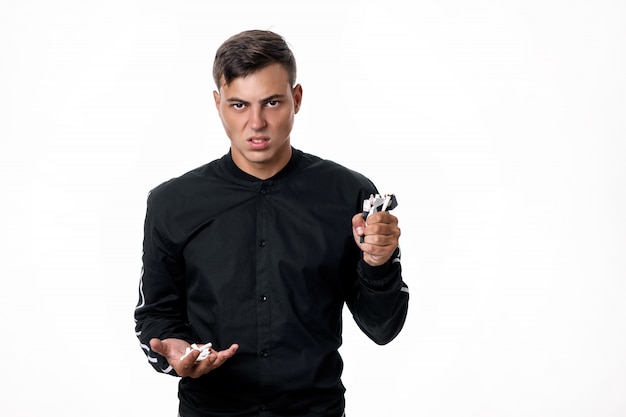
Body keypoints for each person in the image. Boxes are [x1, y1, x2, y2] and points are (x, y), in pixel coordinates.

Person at [134, 29, 409, 417]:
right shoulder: (171, 203)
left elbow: (384, 329)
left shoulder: (349, 194)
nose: (257, 122)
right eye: (239, 105)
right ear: (218, 104)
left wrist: (379, 264)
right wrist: (174, 352)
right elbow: (155, 315)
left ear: (296, 99)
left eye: (272, 102)